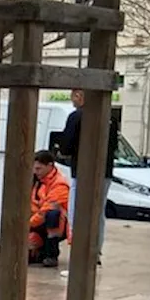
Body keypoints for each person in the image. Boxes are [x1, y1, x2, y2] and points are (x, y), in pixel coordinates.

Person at [57, 88, 118, 266]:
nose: (72, 102)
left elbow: (66, 146)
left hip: (82, 171)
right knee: (98, 212)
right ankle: (95, 251)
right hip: (104, 172)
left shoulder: (77, 116)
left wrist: (63, 151)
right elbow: (113, 146)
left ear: (79, 95)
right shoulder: (110, 118)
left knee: (77, 211)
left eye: (73, 98)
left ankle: (79, 252)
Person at [29, 150, 70, 268]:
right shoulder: (36, 180)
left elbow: (46, 210)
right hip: (36, 220)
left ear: (50, 166)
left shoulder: (60, 184)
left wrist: (27, 225)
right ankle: (39, 251)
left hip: (54, 223)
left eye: (38, 168)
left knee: (53, 215)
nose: (35, 172)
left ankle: (51, 254)